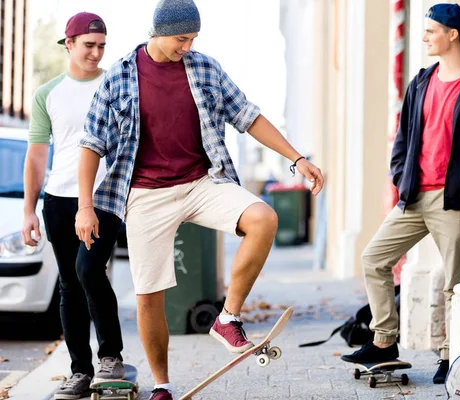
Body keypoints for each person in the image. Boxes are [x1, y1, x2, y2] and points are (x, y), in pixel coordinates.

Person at [74, 1, 324, 399]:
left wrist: (296, 158)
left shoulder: (205, 68)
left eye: (193, 38)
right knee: (149, 295)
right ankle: (162, 384)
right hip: (145, 194)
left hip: (202, 182)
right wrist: (85, 206)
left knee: (263, 219)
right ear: (157, 31)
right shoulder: (120, 75)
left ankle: (228, 318)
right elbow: (91, 145)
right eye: (181, 38)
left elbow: (249, 116)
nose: (187, 46)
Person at [341, 3, 460, 385]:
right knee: (373, 259)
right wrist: (400, 175)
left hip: (452, 199)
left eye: (431, 31)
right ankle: (383, 342)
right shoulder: (421, 81)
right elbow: (403, 139)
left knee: (454, 281)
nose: (425, 36)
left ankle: (452, 356)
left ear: (453, 34)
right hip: (414, 196)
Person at [22, 12, 127, 400]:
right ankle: (79, 372)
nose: (96, 53)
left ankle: (111, 357)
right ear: (69, 44)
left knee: (89, 270)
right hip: (59, 200)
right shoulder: (47, 93)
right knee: (69, 284)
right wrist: (29, 210)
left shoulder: (117, 86)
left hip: (105, 197)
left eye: (101, 46)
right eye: (88, 45)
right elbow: (36, 155)